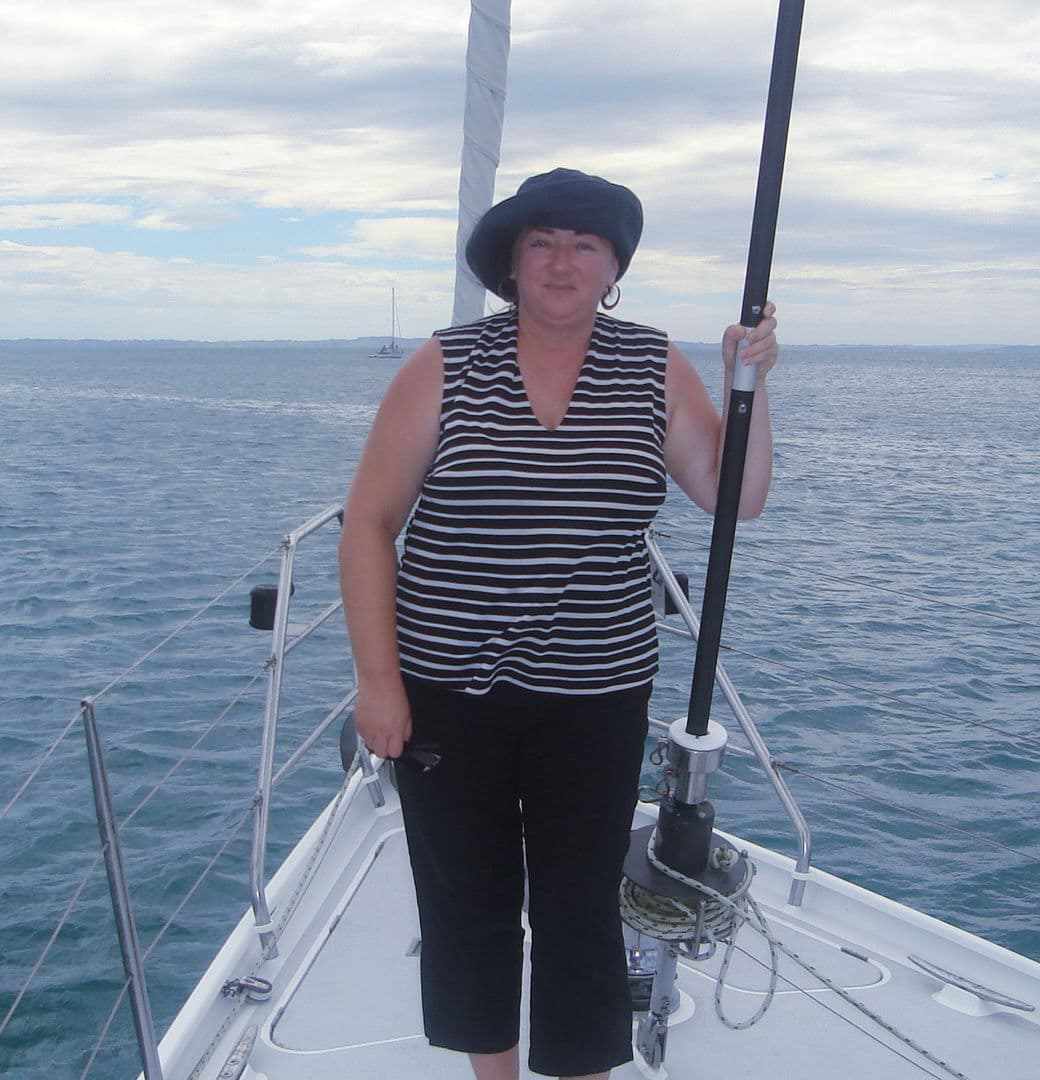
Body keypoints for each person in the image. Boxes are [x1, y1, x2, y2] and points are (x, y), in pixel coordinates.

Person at [339, 167, 777, 1080]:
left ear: (613, 264)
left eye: (584, 243)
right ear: (511, 264)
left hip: (596, 692)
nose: (562, 260)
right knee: (469, 898)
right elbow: (370, 525)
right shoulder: (443, 365)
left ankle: (579, 1070)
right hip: (448, 693)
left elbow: (736, 497)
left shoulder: (654, 364)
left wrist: (750, 385)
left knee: (579, 900)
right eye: (541, 242)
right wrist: (379, 682)